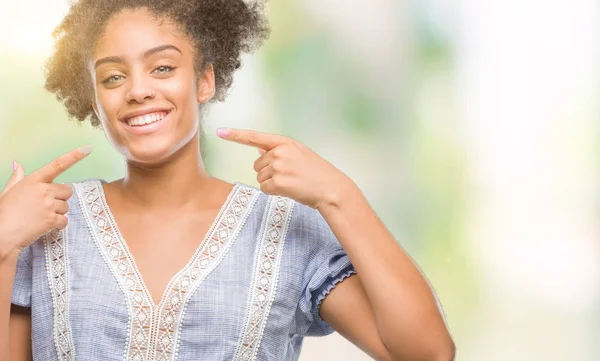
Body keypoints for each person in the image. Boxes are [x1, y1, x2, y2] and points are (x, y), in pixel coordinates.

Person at [0, 0, 455, 360]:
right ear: (94, 100)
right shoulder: (48, 225)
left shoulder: (283, 232)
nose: (138, 90)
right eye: (113, 76)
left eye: (162, 67)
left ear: (204, 81)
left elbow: (428, 353)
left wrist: (340, 196)